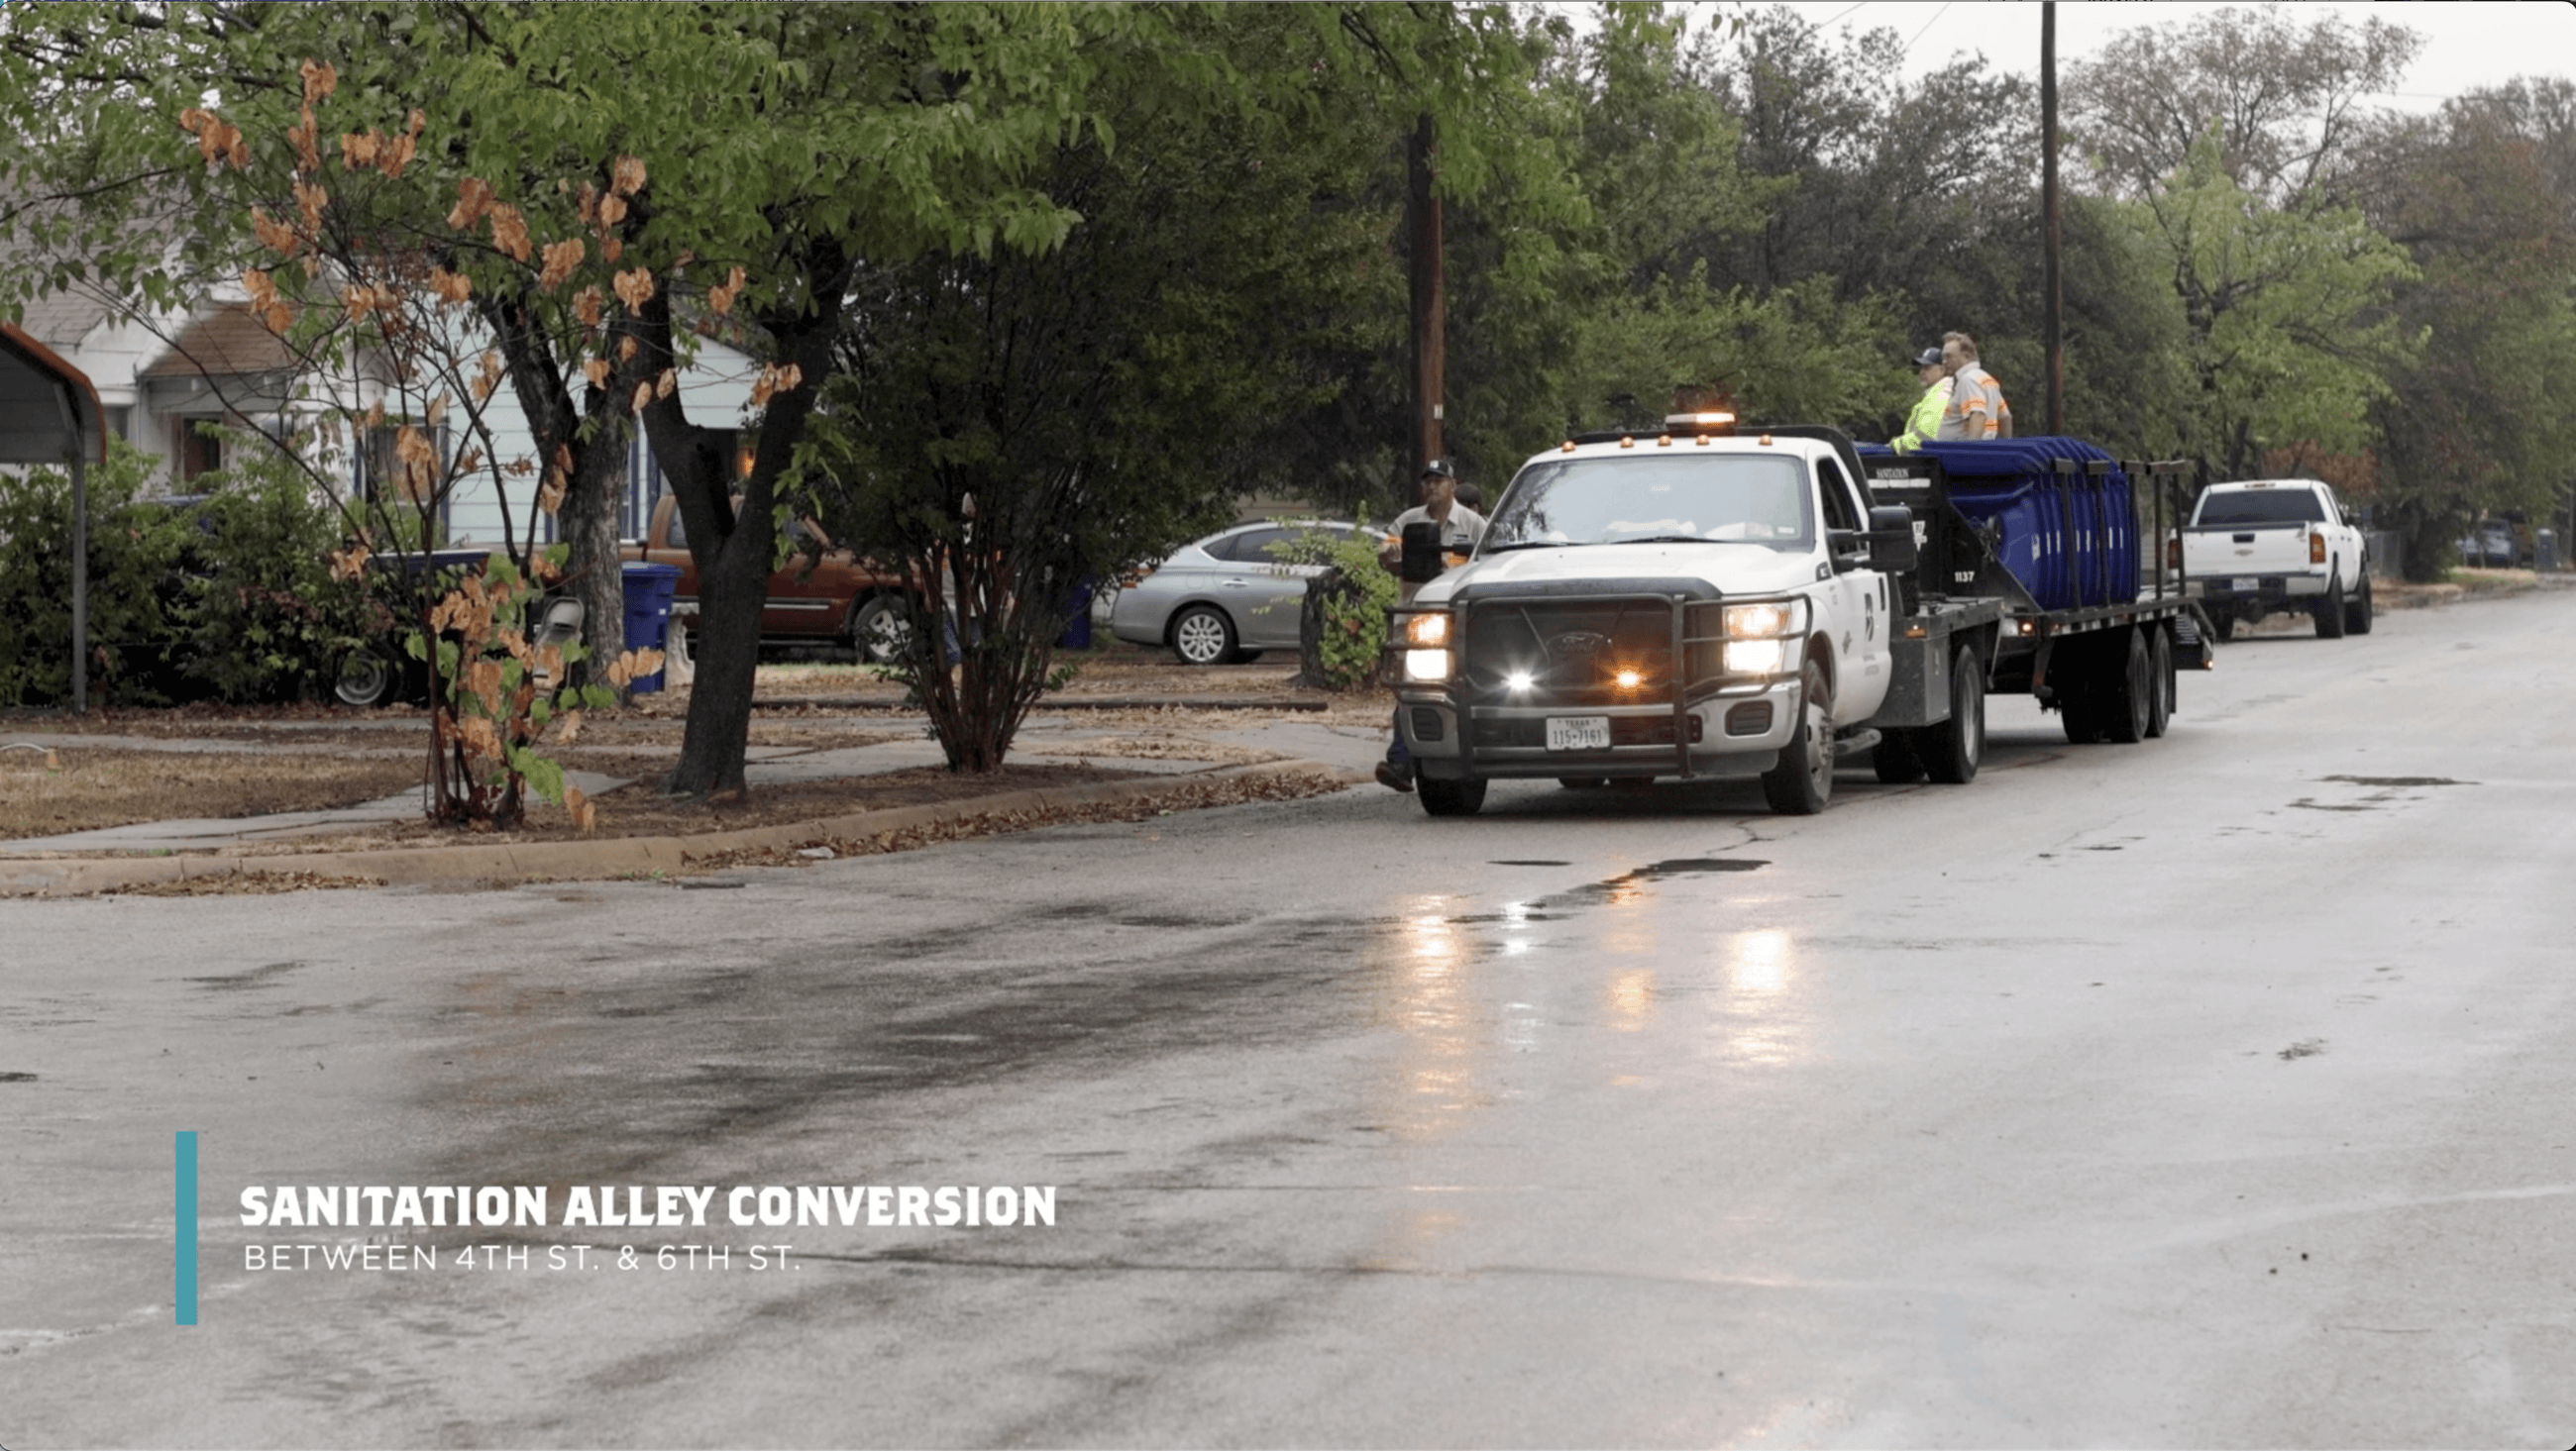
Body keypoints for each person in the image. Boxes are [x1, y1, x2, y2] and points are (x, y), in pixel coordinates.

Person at [1376, 459, 1485, 792]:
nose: (1433, 486)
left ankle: (1422, 759)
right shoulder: (1408, 521)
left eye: (1440, 481)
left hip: (1459, 620)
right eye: (1428, 481)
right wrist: (1402, 554)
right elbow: (1385, 550)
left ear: (1453, 485)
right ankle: (1402, 762)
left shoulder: (1475, 524)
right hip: (1415, 619)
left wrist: (1446, 560)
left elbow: (1489, 561)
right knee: (1411, 689)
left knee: (1453, 689)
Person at [1937, 331, 2014, 440]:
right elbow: (2006, 418)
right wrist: (2006, 448)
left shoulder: (1968, 380)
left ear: (1966, 356)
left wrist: (1970, 452)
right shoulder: (1986, 379)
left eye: (1949, 356)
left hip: (1960, 453)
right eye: (1943, 357)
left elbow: (1978, 415)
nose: (1944, 362)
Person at [1892, 346, 1952, 454]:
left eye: (1927, 367)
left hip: (1930, 464)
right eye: (1921, 368)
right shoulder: (1939, 394)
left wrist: (1895, 444)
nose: (1922, 372)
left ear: (1942, 369)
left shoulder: (1940, 397)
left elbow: (1924, 438)